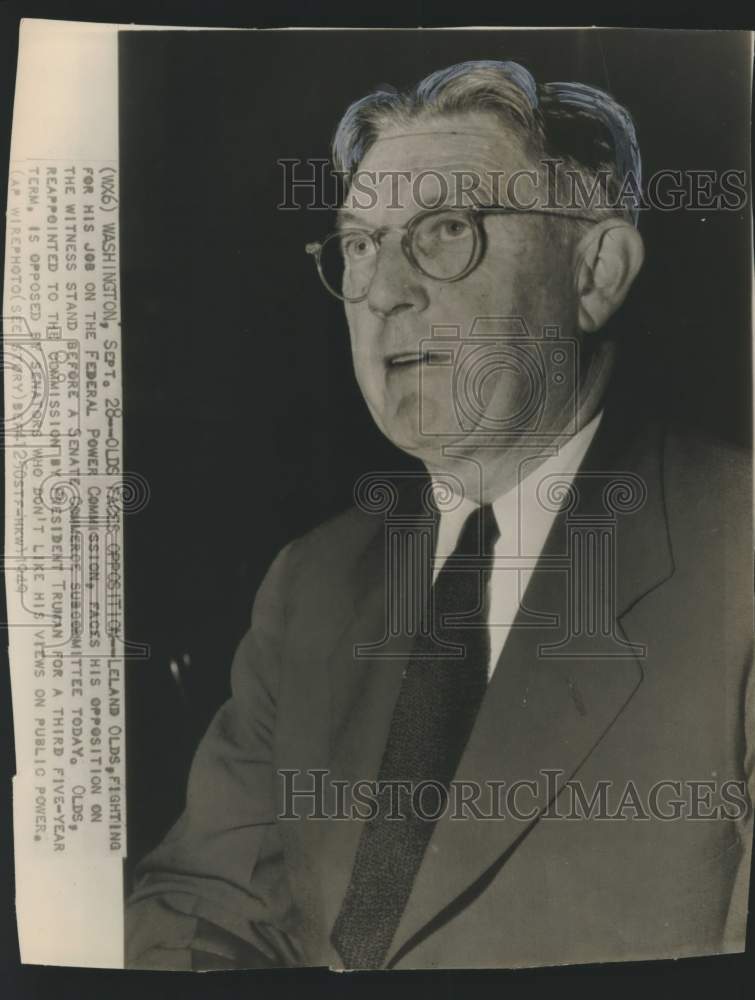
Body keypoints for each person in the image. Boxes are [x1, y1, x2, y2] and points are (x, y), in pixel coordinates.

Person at [126, 60, 753, 971]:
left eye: (445, 230)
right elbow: (194, 912)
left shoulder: (735, 558)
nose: (384, 292)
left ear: (594, 273)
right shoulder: (312, 582)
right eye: (359, 245)